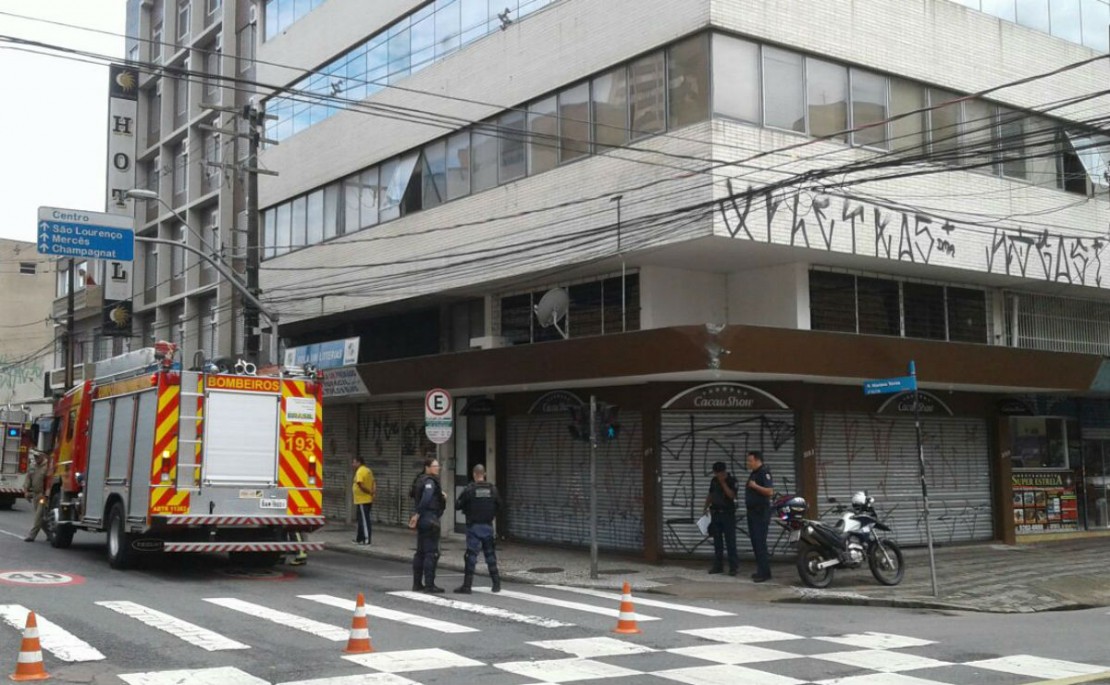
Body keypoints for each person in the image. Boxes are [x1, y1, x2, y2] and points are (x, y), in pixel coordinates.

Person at [453, 464, 502, 594]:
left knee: (471, 557)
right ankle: (496, 584)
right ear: (484, 474)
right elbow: (499, 505)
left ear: (474, 474)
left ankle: (467, 586)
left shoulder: (469, 490)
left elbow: (458, 505)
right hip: (487, 526)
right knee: (490, 555)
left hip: (474, 527)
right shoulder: (492, 489)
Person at [409, 457, 446, 593]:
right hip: (429, 518)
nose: (438, 468)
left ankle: (417, 584)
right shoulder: (430, 481)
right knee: (431, 553)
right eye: (435, 466)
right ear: (428, 467)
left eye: (438, 465)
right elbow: (427, 497)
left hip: (423, 520)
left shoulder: (420, 479)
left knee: (420, 552)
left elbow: (413, 494)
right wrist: (417, 513)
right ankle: (429, 585)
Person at [702, 460, 738, 576]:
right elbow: (711, 494)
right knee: (717, 542)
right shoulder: (713, 481)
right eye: (715, 473)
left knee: (730, 542)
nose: (717, 476)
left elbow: (731, 495)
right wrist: (705, 507)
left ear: (723, 472)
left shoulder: (732, 481)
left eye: (719, 473)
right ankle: (718, 566)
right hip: (716, 513)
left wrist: (723, 483)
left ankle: (733, 567)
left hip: (728, 514)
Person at [745, 450, 775, 582]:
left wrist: (755, 486)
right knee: (755, 543)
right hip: (752, 513)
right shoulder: (754, 473)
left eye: (750, 461)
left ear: (757, 460)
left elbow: (769, 492)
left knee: (760, 542)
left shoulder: (764, 472)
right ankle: (761, 570)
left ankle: (764, 573)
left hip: (760, 513)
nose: (748, 463)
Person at [23, 450, 49, 542]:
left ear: (42, 456)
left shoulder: (47, 467)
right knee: (41, 518)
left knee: (39, 515)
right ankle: (50, 534)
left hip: (43, 495)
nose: (36, 458)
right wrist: (26, 491)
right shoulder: (33, 466)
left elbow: (49, 482)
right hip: (35, 494)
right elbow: (28, 479)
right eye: (35, 457)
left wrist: (46, 494)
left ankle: (31, 535)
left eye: (37, 456)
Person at [351, 456, 375, 545]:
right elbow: (373, 482)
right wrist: (373, 493)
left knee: (365, 521)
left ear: (359, 462)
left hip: (362, 500)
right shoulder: (368, 470)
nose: (353, 464)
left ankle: (366, 540)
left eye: (354, 462)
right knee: (361, 520)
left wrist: (369, 492)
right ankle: (359, 538)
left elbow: (360, 485)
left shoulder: (360, 471)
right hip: (365, 499)